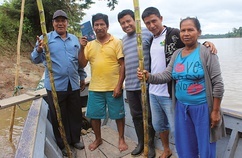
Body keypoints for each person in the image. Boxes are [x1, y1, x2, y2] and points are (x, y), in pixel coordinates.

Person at [138, 17, 226, 158]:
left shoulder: (207, 53)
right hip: (181, 107)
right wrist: (149, 77)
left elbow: (218, 84)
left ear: (199, 32)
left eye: (190, 30)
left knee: (206, 148)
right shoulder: (177, 54)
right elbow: (167, 75)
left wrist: (215, 111)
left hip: (202, 108)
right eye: (183, 30)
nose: (186, 33)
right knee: (185, 146)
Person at [31, 10, 86, 156]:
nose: (60, 23)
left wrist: (82, 77)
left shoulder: (74, 39)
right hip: (55, 86)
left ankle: (75, 139)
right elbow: (34, 59)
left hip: (73, 83)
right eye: (57, 21)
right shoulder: (45, 38)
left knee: (75, 114)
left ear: (67, 23)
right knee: (58, 116)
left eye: (63, 20)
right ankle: (63, 144)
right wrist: (39, 48)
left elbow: (79, 62)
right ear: (53, 23)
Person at [78, 13, 128, 152]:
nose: (99, 27)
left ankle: (121, 138)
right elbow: (82, 64)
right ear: (93, 27)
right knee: (94, 116)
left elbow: (122, 65)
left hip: (113, 87)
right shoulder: (89, 45)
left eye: (102, 24)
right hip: (95, 87)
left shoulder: (116, 42)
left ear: (107, 26)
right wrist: (82, 47)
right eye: (96, 25)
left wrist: (119, 85)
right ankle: (98, 139)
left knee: (118, 115)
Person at [117, 9, 155, 157]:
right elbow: (124, 63)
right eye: (122, 23)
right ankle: (141, 143)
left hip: (147, 85)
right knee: (136, 116)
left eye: (128, 21)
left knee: (149, 116)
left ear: (135, 20)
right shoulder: (123, 40)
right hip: (131, 86)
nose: (126, 25)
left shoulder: (147, 33)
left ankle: (150, 145)